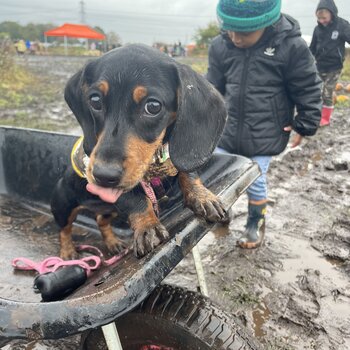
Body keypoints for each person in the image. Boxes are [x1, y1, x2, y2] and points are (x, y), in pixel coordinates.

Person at [207, 0, 322, 249]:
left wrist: (304, 124)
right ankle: (221, 215)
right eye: (230, 30)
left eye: (245, 33)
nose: (236, 38)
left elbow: (308, 87)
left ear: (267, 24)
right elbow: (212, 88)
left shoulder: (291, 47)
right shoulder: (220, 46)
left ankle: (254, 229)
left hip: (265, 134)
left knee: (255, 182)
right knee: (217, 176)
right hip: (226, 130)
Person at [309, 0, 350, 126]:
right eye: (319, 18)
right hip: (319, 66)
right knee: (315, 91)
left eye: (324, 18)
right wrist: (306, 60)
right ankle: (315, 114)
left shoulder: (342, 25)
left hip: (334, 67)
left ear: (332, 13)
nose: (322, 21)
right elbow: (312, 48)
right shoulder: (317, 29)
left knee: (327, 93)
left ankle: (325, 119)